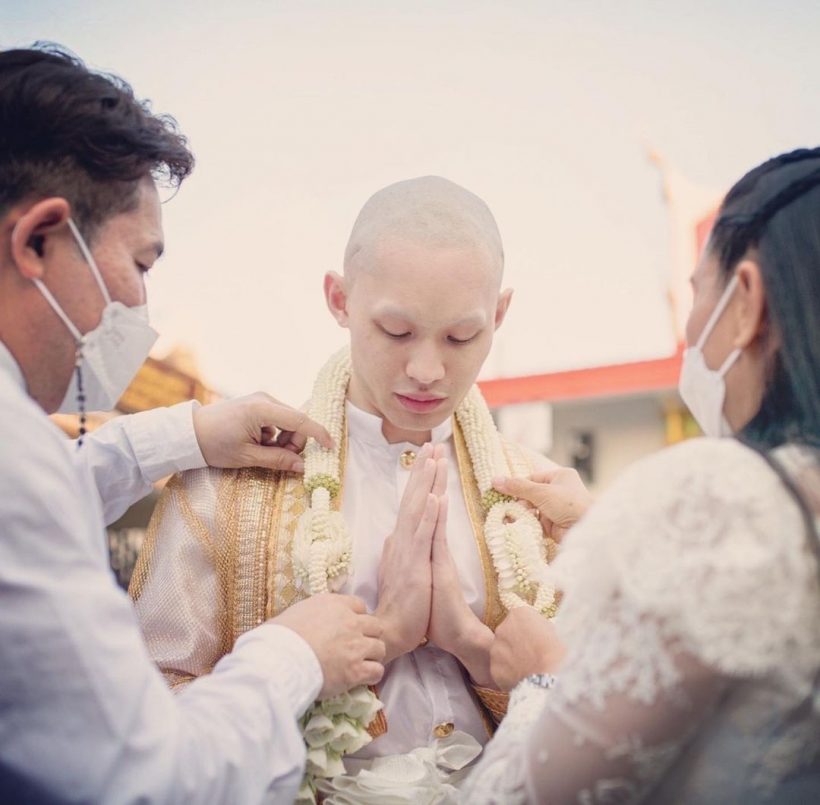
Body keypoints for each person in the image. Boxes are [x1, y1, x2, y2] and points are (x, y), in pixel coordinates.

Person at [0, 44, 385, 803]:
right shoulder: (19, 460)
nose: (143, 307)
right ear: (39, 239)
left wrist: (193, 434)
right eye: (141, 265)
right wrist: (292, 653)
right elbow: (153, 778)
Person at [131, 175, 562, 801]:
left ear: (498, 315)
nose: (426, 370)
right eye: (396, 331)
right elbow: (152, 713)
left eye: (462, 338)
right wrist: (355, 652)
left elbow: (595, 708)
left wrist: (478, 653)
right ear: (339, 299)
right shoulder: (229, 486)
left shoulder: (539, 497)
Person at [461, 147, 820, 803]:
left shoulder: (728, 497)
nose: (690, 326)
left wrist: (542, 677)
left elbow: (532, 793)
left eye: (696, 294)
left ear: (745, 301)